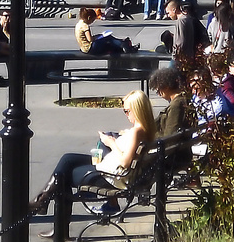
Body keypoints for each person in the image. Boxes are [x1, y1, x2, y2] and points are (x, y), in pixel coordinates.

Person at [30, 90, 156, 232]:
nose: (126, 114)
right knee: (68, 159)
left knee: (62, 176)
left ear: (137, 110)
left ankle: (52, 218)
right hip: (110, 170)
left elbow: (125, 162)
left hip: (111, 177)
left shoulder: (137, 132)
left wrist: (111, 143)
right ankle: (43, 200)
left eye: (127, 111)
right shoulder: (144, 129)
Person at [149, 67, 190, 138]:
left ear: (166, 86)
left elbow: (169, 137)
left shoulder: (176, 105)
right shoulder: (182, 100)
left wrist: (149, 135)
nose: (159, 94)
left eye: (159, 91)